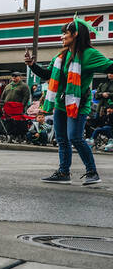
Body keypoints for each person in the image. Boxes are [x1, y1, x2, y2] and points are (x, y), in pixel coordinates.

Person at [26, 17, 113, 184]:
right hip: (60, 103)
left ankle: (92, 172)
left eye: (65, 33)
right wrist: (32, 65)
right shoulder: (61, 56)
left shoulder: (89, 54)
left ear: (76, 35)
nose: (62, 37)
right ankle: (63, 173)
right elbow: (47, 74)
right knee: (61, 139)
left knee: (75, 137)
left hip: (78, 104)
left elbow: (110, 66)